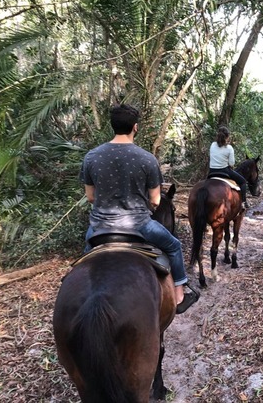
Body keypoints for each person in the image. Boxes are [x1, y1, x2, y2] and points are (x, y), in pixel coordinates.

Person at [79, 104, 197, 314]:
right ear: (135, 127)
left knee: (83, 263)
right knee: (173, 246)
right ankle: (180, 295)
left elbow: (90, 197)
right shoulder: (147, 159)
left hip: (99, 228)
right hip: (140, 226)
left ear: (112, 125)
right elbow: (155, 201)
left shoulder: (92, 157)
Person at [209, 126, 249, 210]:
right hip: (224, 171)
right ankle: (243, 203)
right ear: (227, 137)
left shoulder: (212, 145)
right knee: (243, 182)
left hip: (211, 171)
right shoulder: (229, 148)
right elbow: (231, 163)